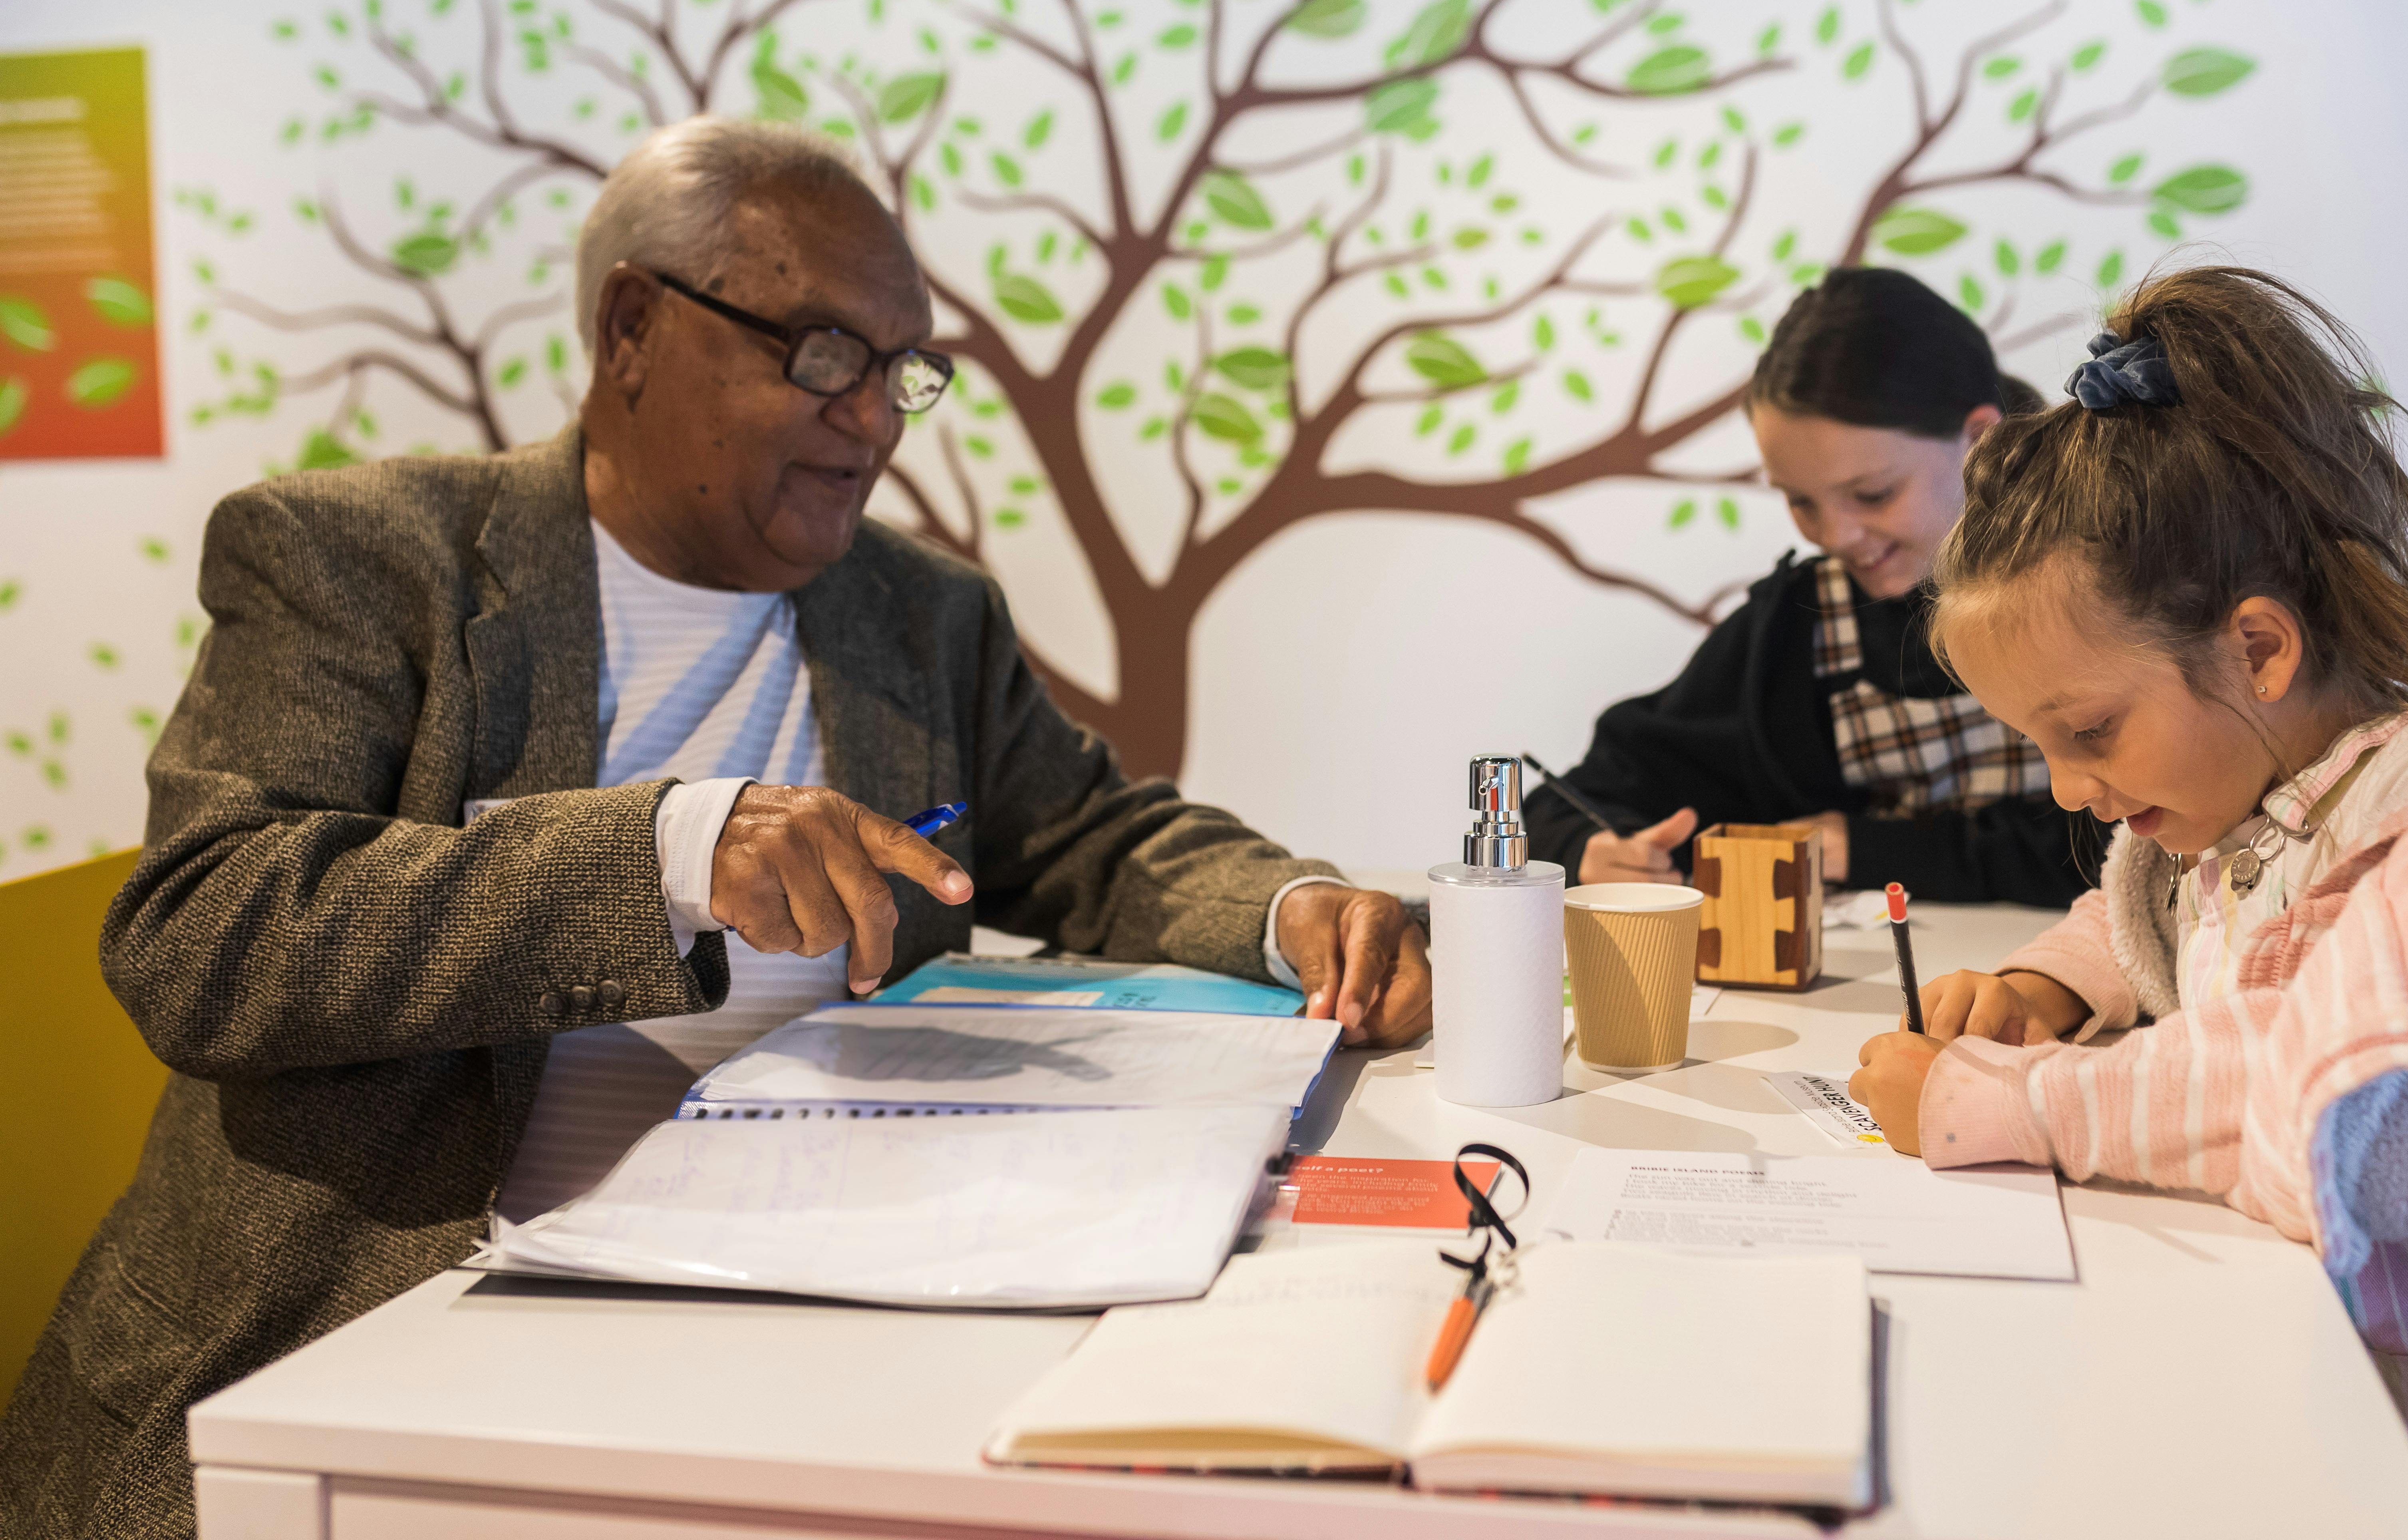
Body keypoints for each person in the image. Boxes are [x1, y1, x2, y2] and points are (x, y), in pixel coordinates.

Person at [0, 117, 1430, 1540]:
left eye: (902, 372)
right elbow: (206, 931)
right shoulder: (365, 562)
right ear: (634, 326)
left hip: (814, 1308)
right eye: (822, 357)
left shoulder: (919, 614)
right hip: (389, 1322)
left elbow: (1097, 842)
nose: (872, 422)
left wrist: (1290, 904)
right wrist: (673, 852)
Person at [1850, 267, 2408, 1538]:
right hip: (2339, 1416)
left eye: (2086, 731)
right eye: (2041, 749)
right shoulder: (2272, 797)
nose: (2071, 791)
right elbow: (2214, 912)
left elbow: (2339, 1095)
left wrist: (2006, 1103)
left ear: (2257, 649)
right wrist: (2050, 984)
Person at [1524, 266, 2100, 906]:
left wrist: (1872, 849)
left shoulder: (2115, 582)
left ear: (1979, 438)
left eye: (1872, 494)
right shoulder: (1798, 630)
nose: (1837, 536)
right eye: (1802, 502)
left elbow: (2145, 841)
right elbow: (1581, 798)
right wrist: (1594, 851)